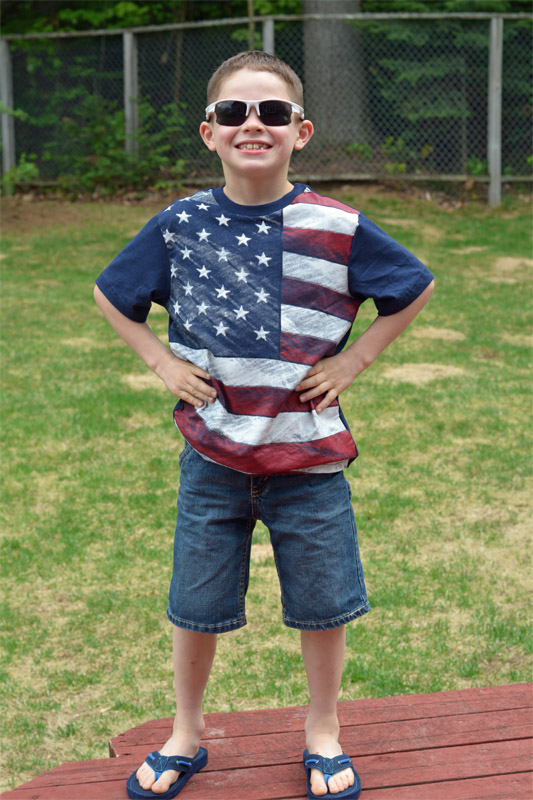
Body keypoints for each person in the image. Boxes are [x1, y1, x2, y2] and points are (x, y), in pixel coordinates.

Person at [94, 50, 434, 800]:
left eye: (272, 113)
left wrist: (355, 362)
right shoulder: (178, 224)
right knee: (195, 604)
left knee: (323, 602)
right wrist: (158, 362)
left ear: (301, 130)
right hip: (212, 458)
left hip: (308, 464)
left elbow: (412, 285)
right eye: (235, 113)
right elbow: (111, 293)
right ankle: (186, 732)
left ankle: (322, 731)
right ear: (208, 132)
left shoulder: (336, 225)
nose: (254, 124)